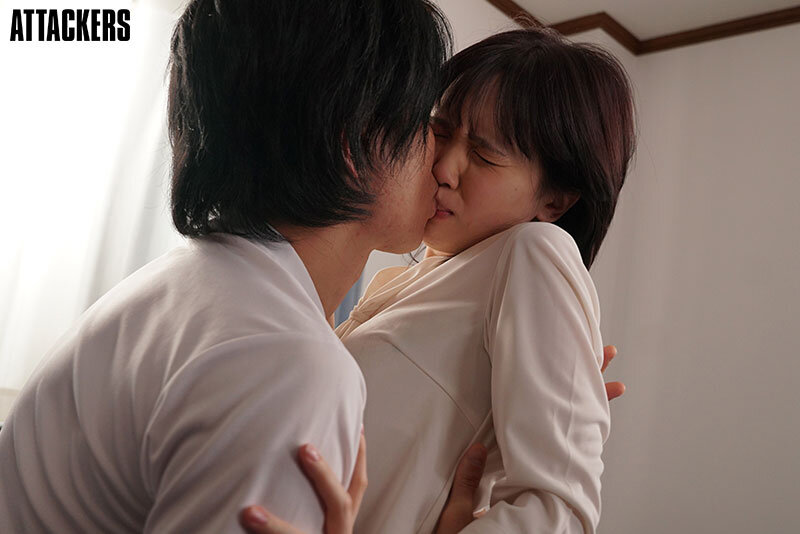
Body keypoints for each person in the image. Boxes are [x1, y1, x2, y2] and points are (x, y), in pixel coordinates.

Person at [0, 1, 453, 532]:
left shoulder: (192, 285)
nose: (442, 156)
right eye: (426, 122)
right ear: (355, 141)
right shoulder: (292, 364)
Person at [239, 27, 635, 534]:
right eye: (440, 131)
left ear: (554, 201)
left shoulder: (533, 253)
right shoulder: (395, 280)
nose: (444, 167)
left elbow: (559, 510)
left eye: (485, 155)